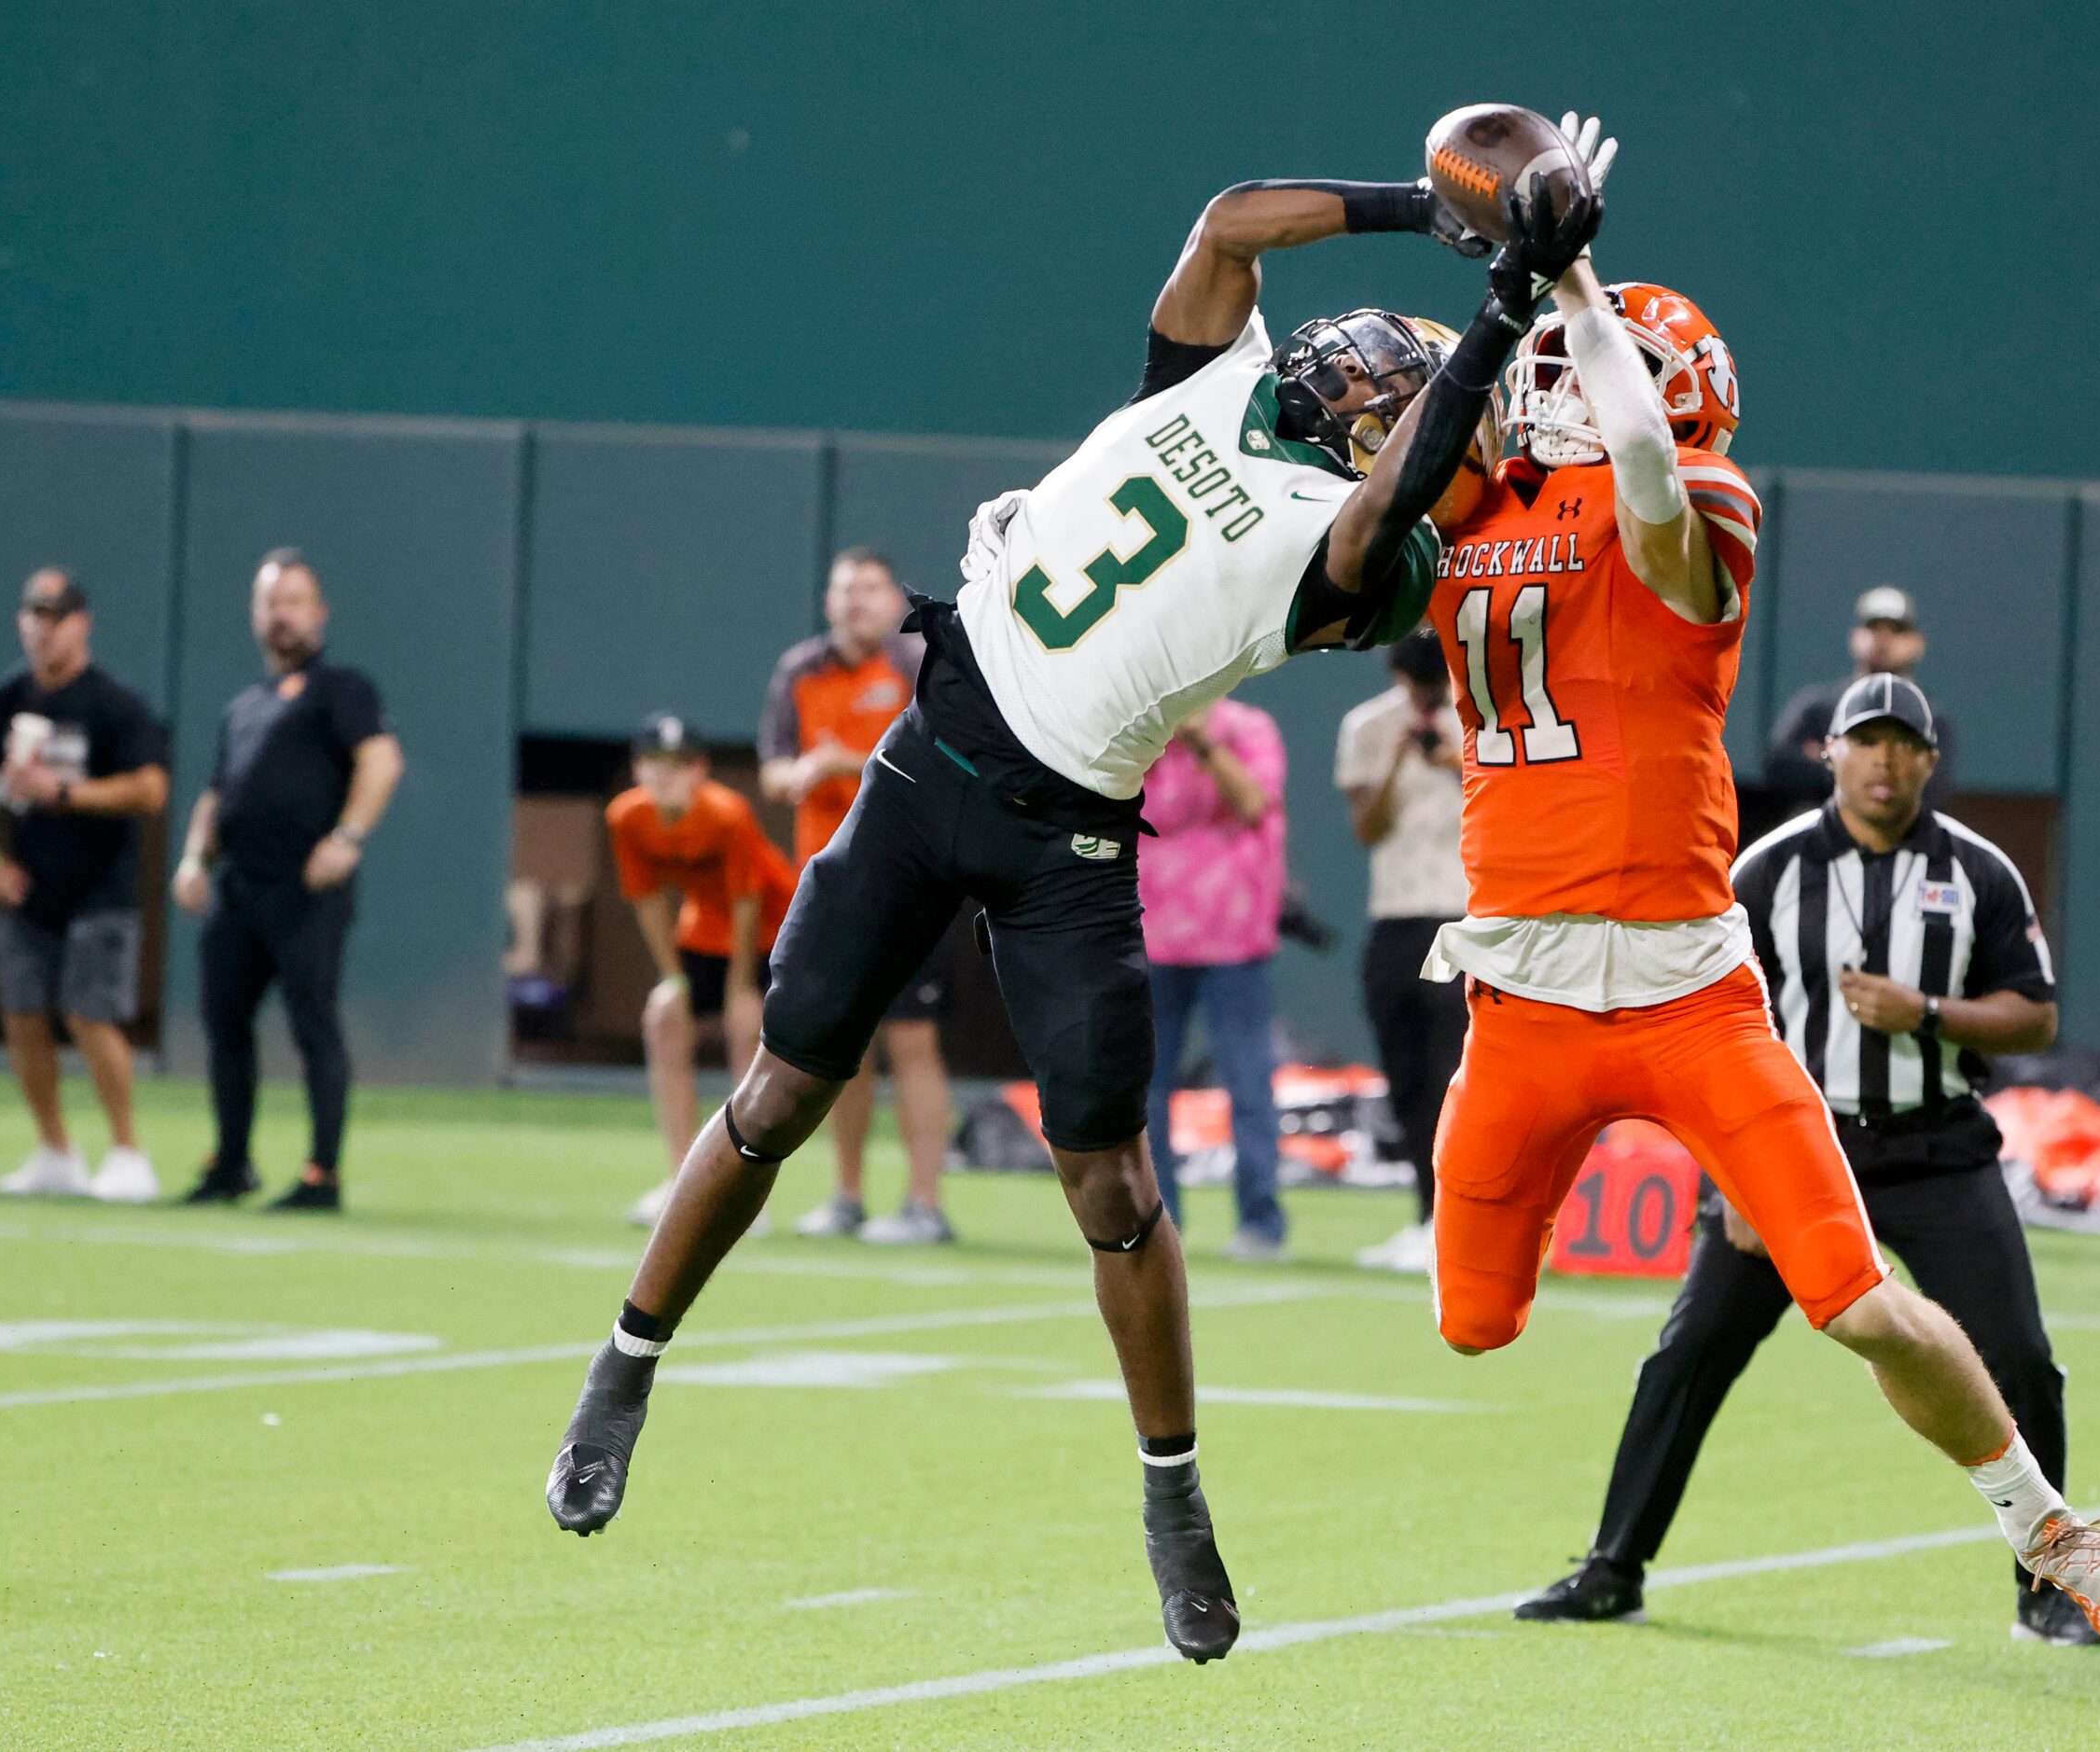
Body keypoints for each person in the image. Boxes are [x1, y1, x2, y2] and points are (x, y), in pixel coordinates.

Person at [542, 131, 1587, 1667]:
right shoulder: (1216, 389)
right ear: (1347, 399)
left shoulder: (1332, 532)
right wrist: (1433, 218)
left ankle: (1171, 1493)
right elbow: (1231, 221)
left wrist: (1490, 303)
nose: (1403, 428)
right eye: (1396, 402)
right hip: (925, 761)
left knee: (1108, 1186)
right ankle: (622, 1368)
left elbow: (1379, 486)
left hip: (1067, 840)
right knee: (773, 1095)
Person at [1419, 149, 2100, 1645]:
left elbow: (1638, 475)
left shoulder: (1695, 489)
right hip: (1517, 1000)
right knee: (1470, 1324)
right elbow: (1400, 448)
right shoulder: (1474, 491)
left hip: (1691, 997)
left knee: (1852, 1298)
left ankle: (2049, 1531)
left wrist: (1571, 279)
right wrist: (1511, 269)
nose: (1556, 382)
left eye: (1586, 364)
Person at [1516, 674, 2100, 1644]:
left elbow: (2034, 1014)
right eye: (1862, 743)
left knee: (2021, 1359)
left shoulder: (1978, 870)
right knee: (1691, 1351)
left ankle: (2045, 1588)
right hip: (1792, 1152)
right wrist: (1731, 1171)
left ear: (1928, 758)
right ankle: (1612, 1566)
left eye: (1900, 744)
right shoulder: (1762, 874)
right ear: (1827, 753)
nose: (1882, 761)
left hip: (1935, 1148)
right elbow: (1696, 1032)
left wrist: (1926, 1014)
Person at [172, 553, 402, 1210]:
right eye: (272, 602)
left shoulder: (341, 688)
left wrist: (347, 838)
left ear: (319, 612)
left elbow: (381, 762)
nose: (283, 615)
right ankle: (230, 1163)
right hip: (241, 885)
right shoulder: (245, 705)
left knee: (312, 1024)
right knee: (224, 1022)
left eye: (295, 601)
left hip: (305, 889)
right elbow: (220, 793)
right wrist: (194, 859)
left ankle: (320, 1174)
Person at [758, 547, 955, 1244]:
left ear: (892, 599)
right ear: (828, 601)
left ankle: (925, 1206)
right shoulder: (798, 670)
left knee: (913, 1040)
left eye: (870, 589)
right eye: (845, 589)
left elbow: (937, 759)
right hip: (827, 882)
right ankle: (847, 1196)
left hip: (910, 878)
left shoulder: (915, 663)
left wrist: (844, 759)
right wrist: (794, 777)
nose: (856, 602)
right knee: (843, 1045)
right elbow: (774, 766)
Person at [0, 569, 171, 1201]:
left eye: (56, 618)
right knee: (22, 1015)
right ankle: (55, 1150)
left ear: (83, 624)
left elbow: (150, 788)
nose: (43, 631)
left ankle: (129, 1153)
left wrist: (66, 793)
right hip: (30, 887)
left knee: (88, 1014)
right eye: (34, 618)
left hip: (100, 889)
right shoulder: (7, 700)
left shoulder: (113, 704)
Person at [608, 712, 795, 1231]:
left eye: (678, 763)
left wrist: (739, 990)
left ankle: (742, 1193)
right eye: (652, 762)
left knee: (747, 1037)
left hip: (773, 933)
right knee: (664, 1016)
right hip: (704, 935)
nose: (664, 774)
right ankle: (680, 1181)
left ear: (699, 769)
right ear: (636, 768)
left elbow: (747, 901)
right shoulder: (627, 817)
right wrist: (675, 980)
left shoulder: (727, 814)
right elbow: (646, 901)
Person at [1335, 627, 1468, 1272]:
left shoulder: (1483, 724)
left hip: (1459, 918)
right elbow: (1366, 828)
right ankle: (1425, 1216)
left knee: (1453, 1076)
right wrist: (1395, 761)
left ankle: (1458, 1225)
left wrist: (1455, 763)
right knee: (1409, 1078)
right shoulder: (1368, 725)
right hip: (1394, 917)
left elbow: (1514, 807)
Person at [1142, 698, 1289, 1261]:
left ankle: (1261, 1222)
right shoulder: (1147, 733)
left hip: (1234, 936)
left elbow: (1253, 800)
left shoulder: (1249, 727)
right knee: (1146, 1089)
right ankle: (1158, 1224)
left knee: (1247, 1081)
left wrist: (1204, 744)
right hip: (1153, 933)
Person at [1762, 585, 1959, 813]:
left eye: (1897, 630)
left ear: (1917, 643)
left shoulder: (1931, 718)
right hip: (1820, 835)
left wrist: (1833, 762)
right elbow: (1779, 765)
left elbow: (1932, 792)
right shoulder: (1817, 707)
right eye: (1874, 628)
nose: (1884, 639)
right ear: (1854, 637)